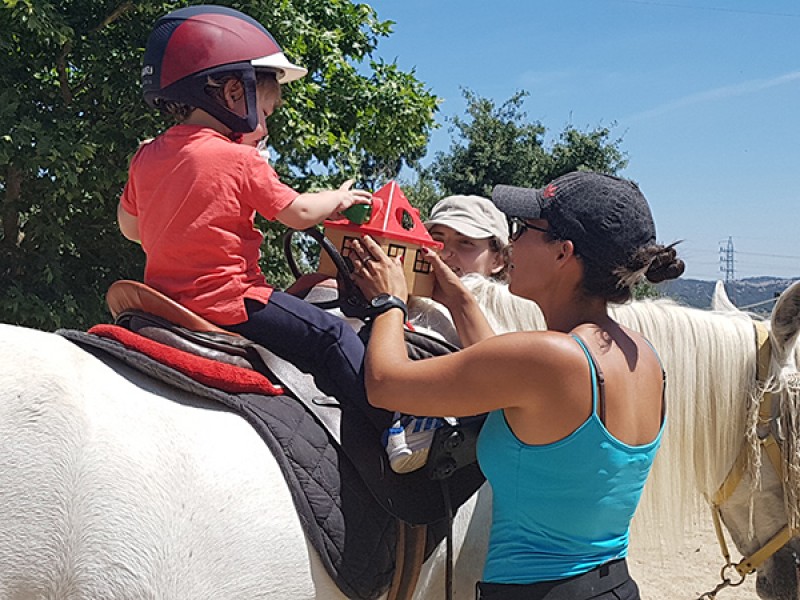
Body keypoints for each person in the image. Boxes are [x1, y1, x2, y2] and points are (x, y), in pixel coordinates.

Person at [349, 171, 685, 599]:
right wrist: (459, 300)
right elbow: (508, 378)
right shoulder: (643, 356)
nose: (511, 244)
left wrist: (388, 301)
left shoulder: (551, 358)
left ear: (564, 253)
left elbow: (385, 383)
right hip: (610, 587)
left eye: (525, 230)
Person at [117, 6, 381, 432]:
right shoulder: (240, 159)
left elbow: (131, 229)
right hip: (231, 300)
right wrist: (337, 197)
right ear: (235, 94)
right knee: (331, 334)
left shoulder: (147, 156)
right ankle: (391, 427)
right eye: (268, 111)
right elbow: (297, 215)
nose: (266, 124)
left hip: (163, 300)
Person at [384, 194, 513, 474]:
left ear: (498, 260)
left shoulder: (510, 309)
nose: (445, 252)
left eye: (465, 242)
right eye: (437, 238)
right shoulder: (406, 290)